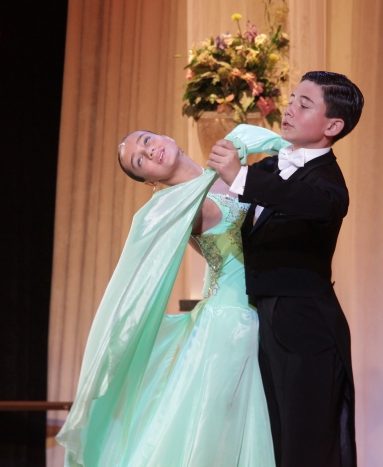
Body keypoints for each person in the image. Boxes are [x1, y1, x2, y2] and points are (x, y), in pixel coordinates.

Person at [57, 128, 288, 467]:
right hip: (231, 323)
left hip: (257, 310)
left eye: (147, 141)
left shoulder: (221, 169)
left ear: (164, 136)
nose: (149, 152)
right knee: (218, 436)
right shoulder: (178, 207)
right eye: (139, 161)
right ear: (149, 181)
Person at [208, 71, 364, 467]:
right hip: (268, 321)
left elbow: (305, 200)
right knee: (274, 443)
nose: (290, 109)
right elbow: (223, 196)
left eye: (304, 104)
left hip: (307, 328)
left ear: (333, 126)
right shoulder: (271, 168)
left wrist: (241, 175)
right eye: (292, 99)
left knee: (305, 449)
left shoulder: (328, 184)